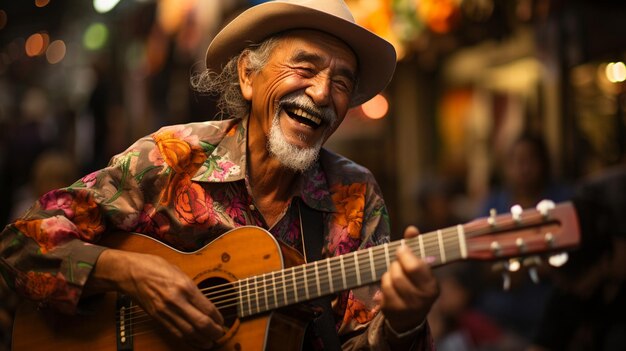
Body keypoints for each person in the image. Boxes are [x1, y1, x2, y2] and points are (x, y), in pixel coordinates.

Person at [0, 1, 439, 350]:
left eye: (341, 82)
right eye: (304, 68)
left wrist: (402, 324)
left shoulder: (356, 196)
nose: (322, 93)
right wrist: (129, 273)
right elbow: (20, 243)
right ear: (248, 75)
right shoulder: (173, 157)